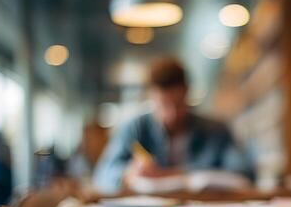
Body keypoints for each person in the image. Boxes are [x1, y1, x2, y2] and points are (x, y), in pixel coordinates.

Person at [93, 57, 253, 193]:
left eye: (178, 104)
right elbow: (102, 175)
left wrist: (168, 174)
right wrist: (128, 173)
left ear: (187, 94)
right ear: (150, 98)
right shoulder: (134, 128)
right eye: (163, 105)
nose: (172, 114)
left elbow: (244, 172)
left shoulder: (216, 130)